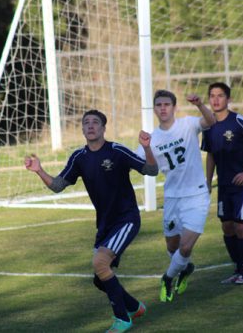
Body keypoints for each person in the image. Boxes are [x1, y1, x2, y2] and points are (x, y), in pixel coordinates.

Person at [25, 109, 158, 333]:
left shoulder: (117, 151)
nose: (90, 126)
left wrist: (146, 147)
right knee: (100, 278)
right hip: (105, 224)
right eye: (86, 122)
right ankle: (134, 307)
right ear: (83, 129)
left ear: (103, 128)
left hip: (126, 219)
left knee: (100, 264)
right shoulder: (79, 157)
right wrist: (39, 170)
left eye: (95, 122)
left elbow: (152, 170)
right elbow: (58, 186)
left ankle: (122, 319)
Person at [136, 89, 216, 302]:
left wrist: (200, 104)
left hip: (197, 195)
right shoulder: (151, 140)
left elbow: (211, 121)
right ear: (154, 109)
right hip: (172, 198)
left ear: (174, 107)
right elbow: (145, 167)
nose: (163, 108)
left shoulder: (188, 124)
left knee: (186, 246)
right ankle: (185, 268)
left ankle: (167, 278)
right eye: (159, 105)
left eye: (167, 104)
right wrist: (146, 148)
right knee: (173, 247)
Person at [202, 82, 243, 284]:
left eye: (220, 95)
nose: (215, 99)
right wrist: (208, 181)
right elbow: (211, 155)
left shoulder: (239, 121)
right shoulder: (208, 126)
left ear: (228, 99)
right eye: (212, 96)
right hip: (224, 186)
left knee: (241, 228)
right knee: (227, 227)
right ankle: (237, 269)